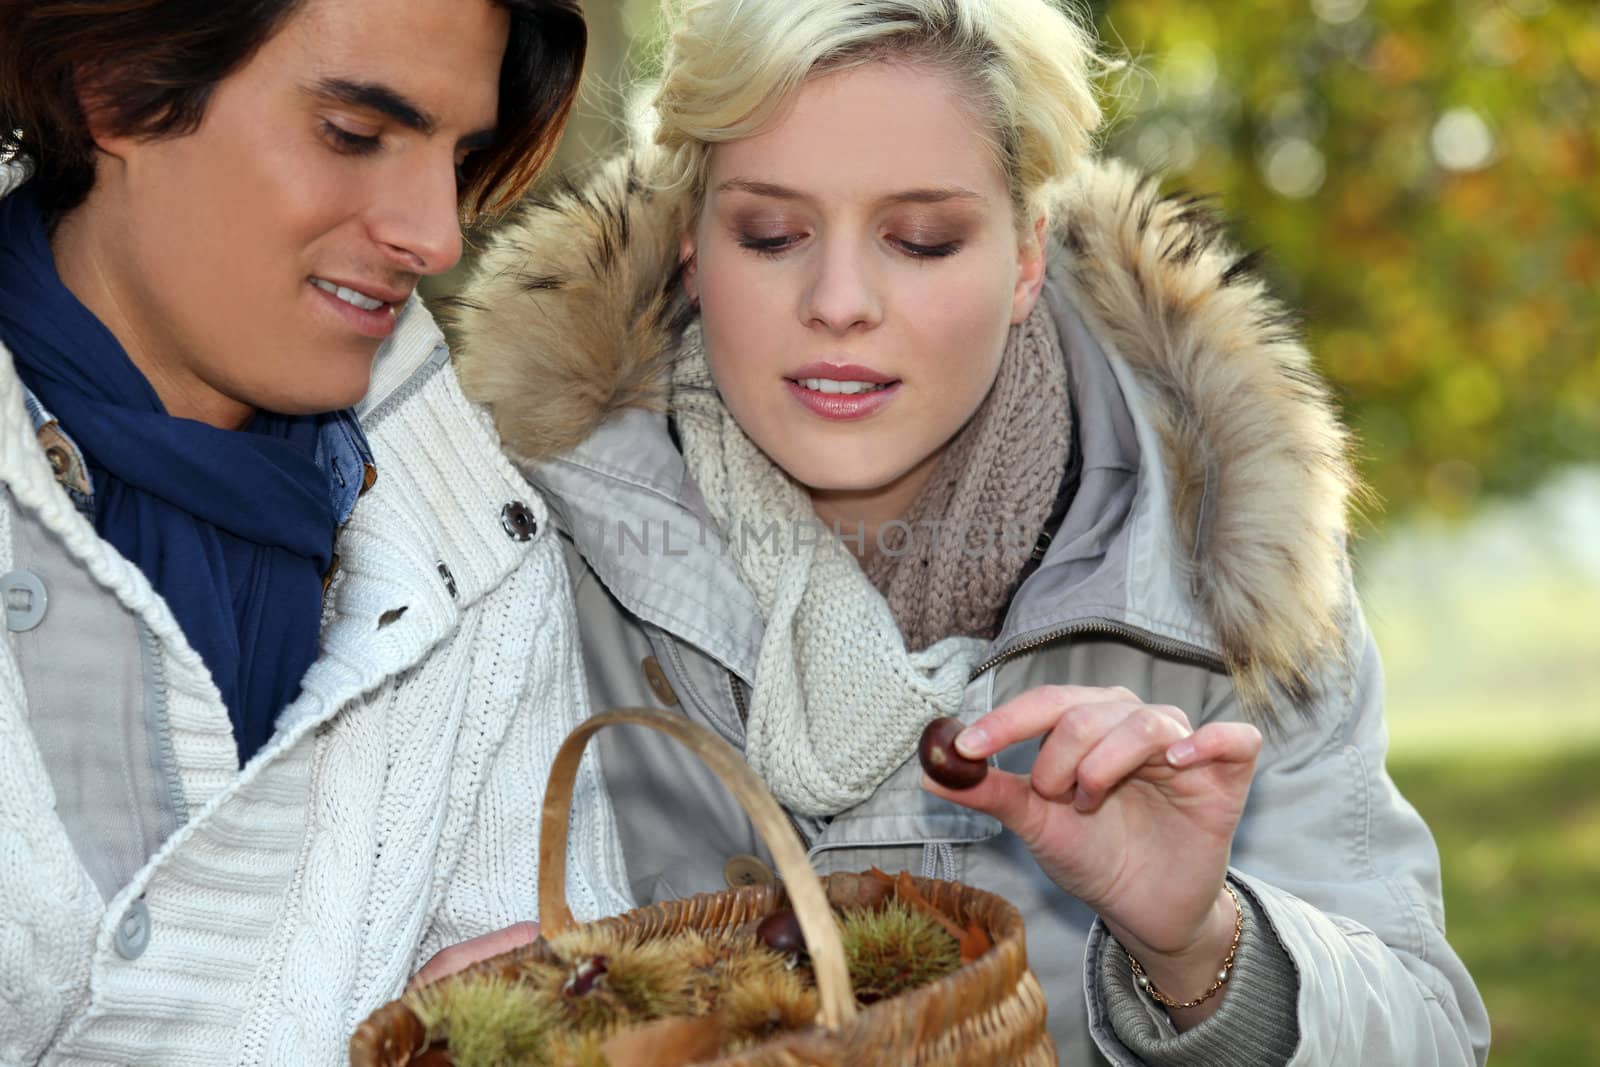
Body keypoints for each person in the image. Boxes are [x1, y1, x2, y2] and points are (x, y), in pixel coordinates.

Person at [455, 0, 1494, 1063]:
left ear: (1027, 255)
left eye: (921, 238)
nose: (840, 300)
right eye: (770, 233)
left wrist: (1201, 946)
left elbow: (1430, 1035)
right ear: (690, 246)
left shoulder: (1229, 568)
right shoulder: (501, 550)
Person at [0, 1, 632, 1062]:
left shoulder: (482, 552)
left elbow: (554, 968)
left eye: (459, 153)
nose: (435, 234)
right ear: (114, 84)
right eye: (352, 134)